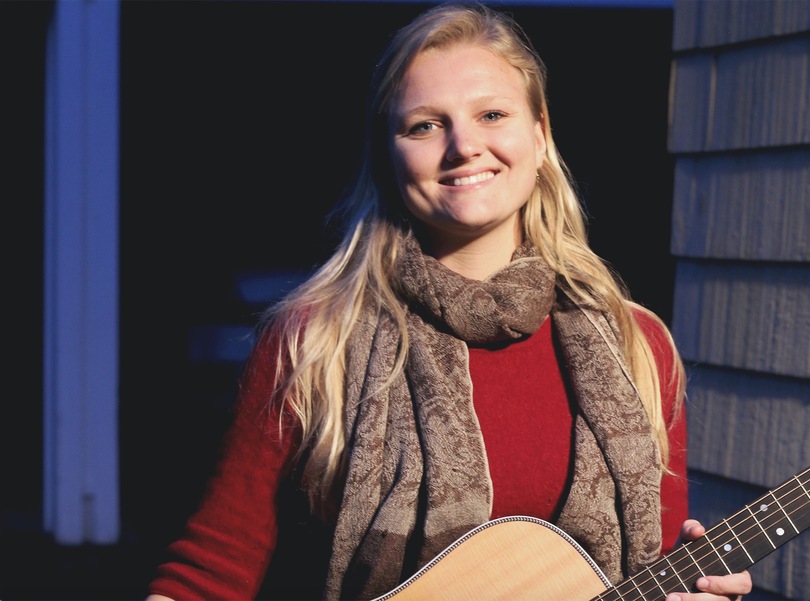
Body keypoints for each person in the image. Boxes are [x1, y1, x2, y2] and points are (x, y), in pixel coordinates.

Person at [146, 3, 754, 600]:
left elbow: (654, 555)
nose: (464, 146)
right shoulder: (313, 342)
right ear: (388, 154)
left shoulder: (636, 345)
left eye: (491, 114)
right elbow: (210, 573)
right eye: (425, 125)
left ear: (540, 136)